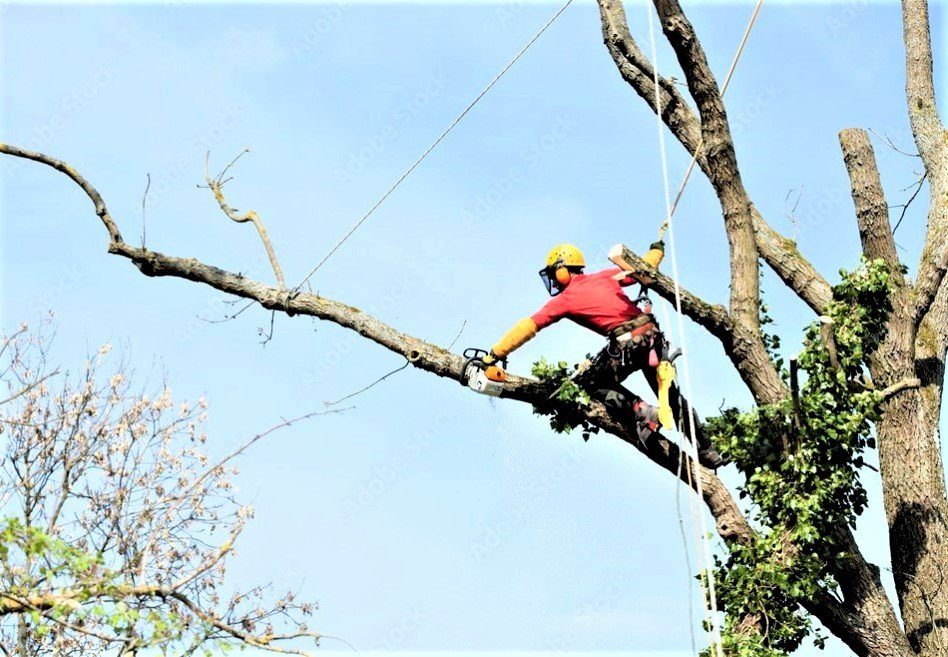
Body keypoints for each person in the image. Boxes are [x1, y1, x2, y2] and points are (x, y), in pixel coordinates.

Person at [482, 243, 726, 469]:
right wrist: (657, 250)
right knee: (672, 397)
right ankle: (707, 450)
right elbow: (644, 266)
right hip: (652, 337)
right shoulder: (605, 276)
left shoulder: (565, 300)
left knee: (591, 383)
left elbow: (529, 326)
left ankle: (643, 411)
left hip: (628, 344)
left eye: (554, 273)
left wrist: (495, 353)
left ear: (562, 270)